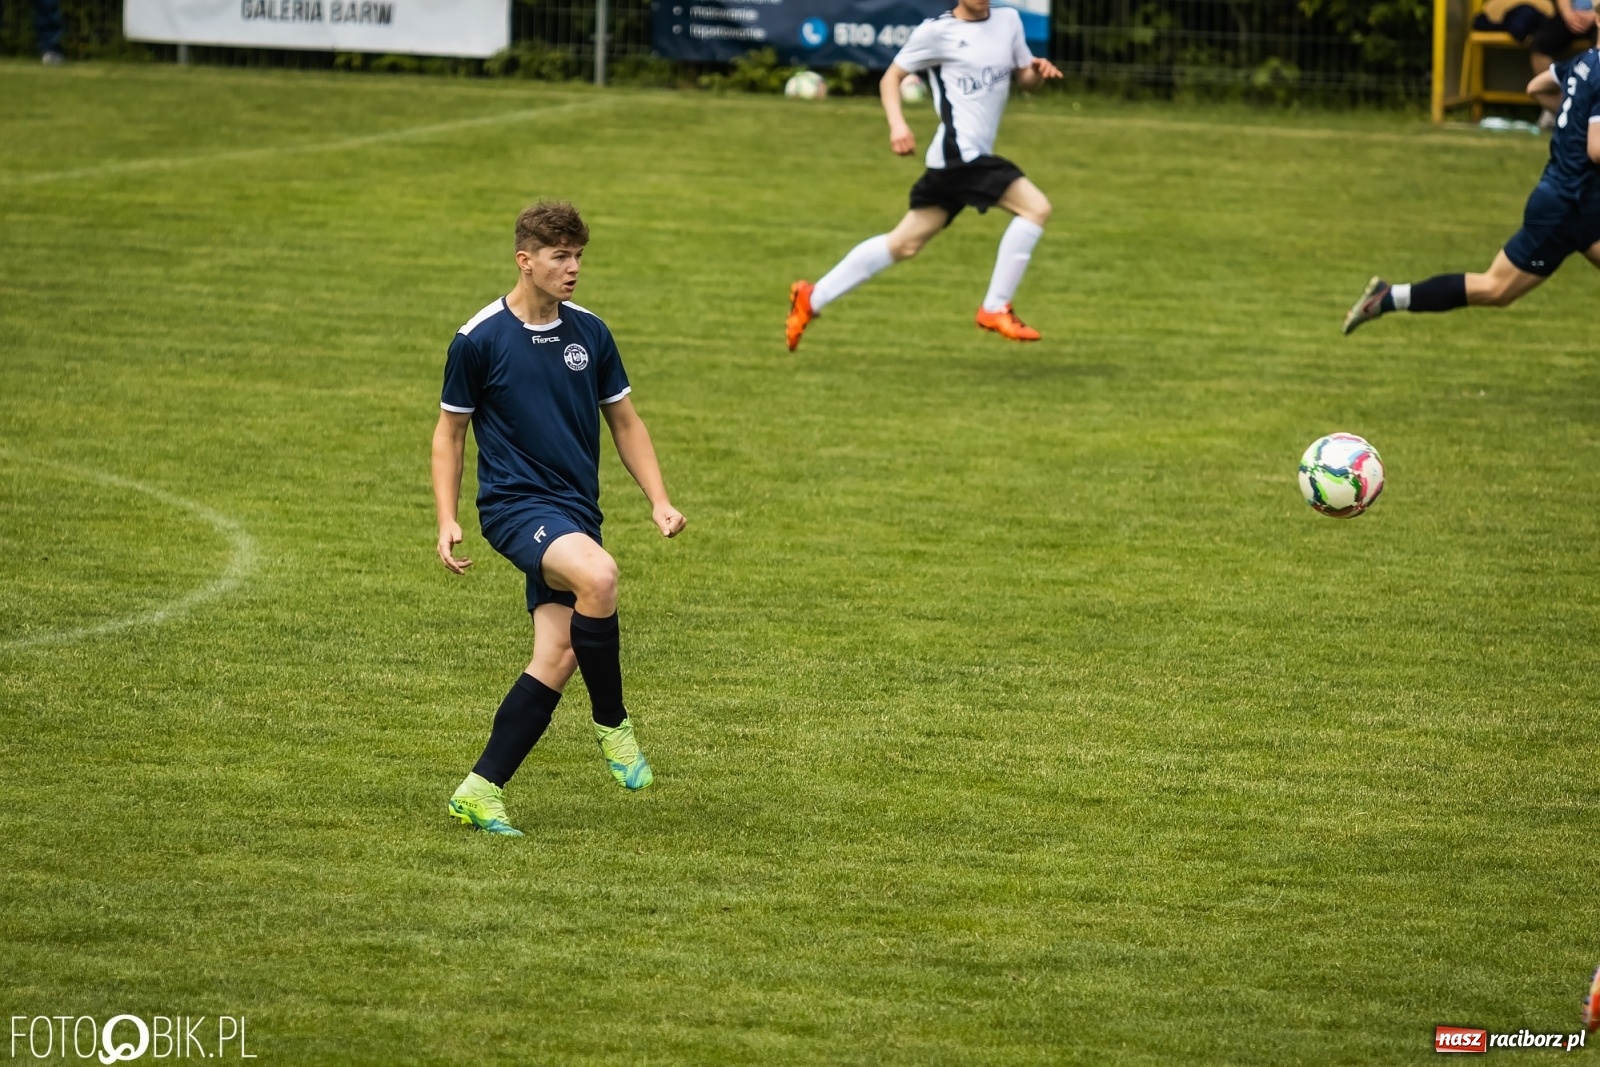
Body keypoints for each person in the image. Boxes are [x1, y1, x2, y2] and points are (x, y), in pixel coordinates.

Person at [432, 201, 686, 836]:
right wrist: (447, 517)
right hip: (515, 507)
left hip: (576, 509)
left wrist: (657, 498)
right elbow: (449, 434)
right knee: (599, 578)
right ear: (526, 260)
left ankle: (480, 790)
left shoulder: (590, 333)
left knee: (559, 651)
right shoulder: (479, 338)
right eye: (560, 257)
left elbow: (624, 421)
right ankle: (613, 723)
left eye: (578, 256)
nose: (573, 269)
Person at [784, 0, 1062, 350]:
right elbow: (891, 79)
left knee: (904, 243)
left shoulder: (1008, 21)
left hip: (954, 162)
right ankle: (994, 307)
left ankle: (811, 297)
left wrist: (1037, 71)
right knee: (1036, 208)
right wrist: (897, 125)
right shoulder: (937, 32)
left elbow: (1025, 79)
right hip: (961, 155)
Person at [1343, 53, 1600, 334]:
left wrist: (1575, 117)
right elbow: (1596, 149)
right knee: (1495, 288)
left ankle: (1388, 297)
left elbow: (1535, 87)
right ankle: (1389, 298)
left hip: (1568, 198)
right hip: (1570, 206)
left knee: (1496, 289)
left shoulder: (1581, 62)